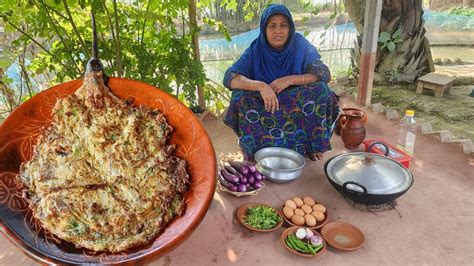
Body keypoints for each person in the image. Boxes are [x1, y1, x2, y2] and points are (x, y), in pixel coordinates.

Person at [222, 4, 339, 161]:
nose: (278, 31)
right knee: (239, 97)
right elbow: (230, 77)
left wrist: (291, 79)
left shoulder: (300, 44)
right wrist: (261, 86)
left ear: (290, 28)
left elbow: (323, 73)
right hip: (266, 105)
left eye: (283, 25)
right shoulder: (256, 49)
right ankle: (254, 148)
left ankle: (312, 144)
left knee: (322, 90)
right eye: (272, 26)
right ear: (264, 29)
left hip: (297, 103)